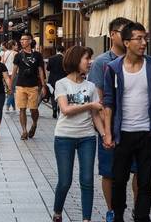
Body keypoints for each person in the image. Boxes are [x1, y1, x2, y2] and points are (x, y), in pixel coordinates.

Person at [102, 22, 151, 222]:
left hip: (147, 133)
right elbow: (108, 102)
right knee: (119, 180)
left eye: (145, 38)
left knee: (145, 181)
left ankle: (142, 217)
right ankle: (118, 216)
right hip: (122, 133)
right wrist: (108, 132)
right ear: (126, 42)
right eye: (138, 39)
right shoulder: (113, 68)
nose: (143, 43)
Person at [87, 17, 137, 222]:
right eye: (123, 32)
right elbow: (98, 99)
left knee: (138, 170)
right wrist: (105, 130)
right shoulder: (102, 62)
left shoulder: (140, 59)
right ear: (112, 35)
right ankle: (111, 210)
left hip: (135, 124)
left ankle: (137, 208)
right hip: (110, 125)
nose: (127, 36)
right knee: (109, 172)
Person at [52, 45, 105, 222]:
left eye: (90, 58)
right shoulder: (61, 84)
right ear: (76, 60)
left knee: (87, 180)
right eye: (86, 58)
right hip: (64, 137)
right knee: (65, 181)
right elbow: (65, 110)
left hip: (87, 138)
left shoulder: (91, 86)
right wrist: (90, 105)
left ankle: (86, 219)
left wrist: (105, 135)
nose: (90, 62)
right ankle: (58, 212)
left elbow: (96, 116)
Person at [10, 33, 46, 140]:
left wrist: (44, 86)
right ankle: (24, 131)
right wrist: (11, 86)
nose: (21, 41)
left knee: (34, 109)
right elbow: (14, 71)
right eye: (21, 40)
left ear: (30, 41)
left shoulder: (37, 55)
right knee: (22, 109)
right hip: (20, 85)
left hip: (33, 86)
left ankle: (34, 123)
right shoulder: (18, 55)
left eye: (24, 39)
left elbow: (40, 71)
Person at [46, 44, 67, 119]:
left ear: (56, 50)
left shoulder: (51, 58)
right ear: (63, 51)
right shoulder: (65, 59)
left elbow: (48, 68)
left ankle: (54, 108)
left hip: (52, 79)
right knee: (61, 95)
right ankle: (59, 109)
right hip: (62, 79)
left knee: (53, 94)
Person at [1, 40, 18, 112]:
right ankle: (7, 105)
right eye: (16, 45)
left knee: (9, 89)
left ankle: (13, 106)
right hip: (13, 74)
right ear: (13, 46)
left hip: (6, 74)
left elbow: (2, 63)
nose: (17, 46)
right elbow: (17, 65)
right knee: (11, 90)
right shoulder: (15, 53)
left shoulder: (5, 53)